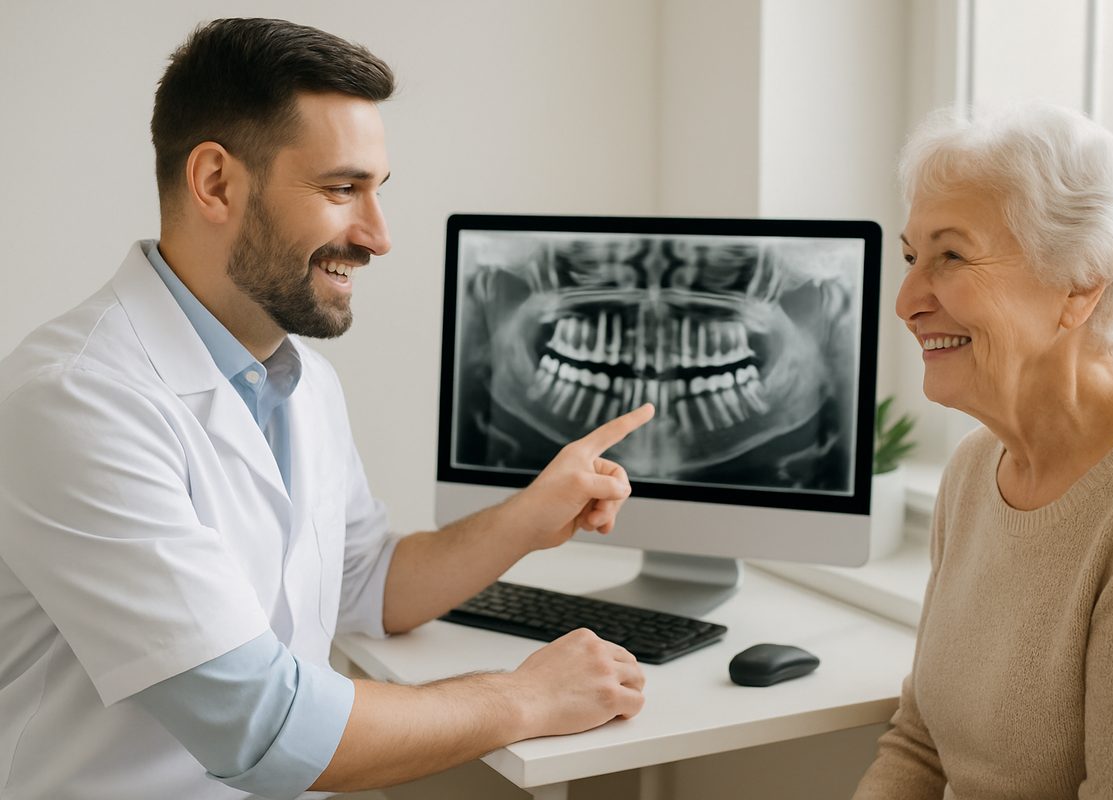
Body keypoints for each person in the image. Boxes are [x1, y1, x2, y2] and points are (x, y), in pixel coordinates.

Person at [0, 18, 654, 800]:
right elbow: (264, 726)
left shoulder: (296, 374)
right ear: (215, 183)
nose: (378, 236)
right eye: (343, 189)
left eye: (378, 191)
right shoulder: (76, 398)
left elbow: (365, 582)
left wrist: (527, 517)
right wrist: (525, 697)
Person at [852, 103, 1113, 799]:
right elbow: (920, 748)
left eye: (951, 255)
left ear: (1078, 284)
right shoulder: (977, 466)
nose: (907, 299)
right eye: (913, 257)